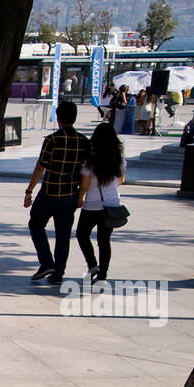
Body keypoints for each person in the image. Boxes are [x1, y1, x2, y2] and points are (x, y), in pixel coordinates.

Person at [24, 100, 89, 285]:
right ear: (75, 118)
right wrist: (81, 195)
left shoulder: (52, 140)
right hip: (70, 194)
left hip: (49, 192)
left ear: (58, 118)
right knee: (63, 234)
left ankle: (46, 262)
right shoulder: (84, 142)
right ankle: (58, 273)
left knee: (36, 224)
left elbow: (40, 168)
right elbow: (86, 171)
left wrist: (29, 190)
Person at [75, 121, 125, 284]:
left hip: (92, 204)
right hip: (111, 204)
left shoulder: (91, 159)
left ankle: (92, 264)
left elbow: (84, 184)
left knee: (82, 234)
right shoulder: (119, 158)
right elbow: (121, 179)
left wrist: (80, 197)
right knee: (104, 241)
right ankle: (103, 273)